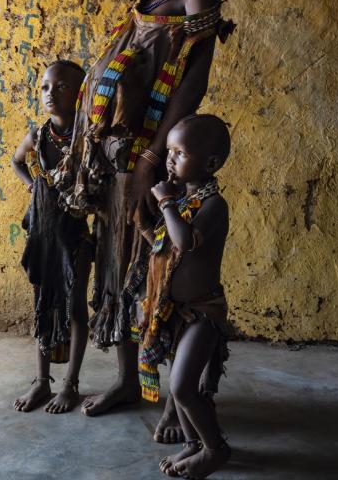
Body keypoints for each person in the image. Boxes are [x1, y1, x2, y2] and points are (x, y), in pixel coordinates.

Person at [58, 0, 234, 430]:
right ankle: (130, 380)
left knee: (164, 270)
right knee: (119, 264)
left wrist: (155, 155)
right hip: (118, 153)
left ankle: (177, 401)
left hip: (157, 154)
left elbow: (192, 80)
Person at [138, 114, 231, 478]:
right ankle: (193, 444)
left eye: (180, 152)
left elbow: (184, 242)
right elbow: (165, 247)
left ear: (209, 163)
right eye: (169, 152)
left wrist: (164, 203)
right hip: (178, 312)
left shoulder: (213, 206)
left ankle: (215, 449)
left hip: (204, 313)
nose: (171, 159)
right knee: (179, 388)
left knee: (182, 386)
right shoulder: (185, 200)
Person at [12, 60, 92, 414]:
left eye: (61, 87)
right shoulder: (37, 136)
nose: (50, 94)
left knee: (74, 307)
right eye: (45, 86)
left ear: (80, 93)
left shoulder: (89, 137)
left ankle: (71, 384)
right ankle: (41, 381)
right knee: (43, 302)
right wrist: (34, 188)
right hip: (43, 232)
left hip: (75, 234)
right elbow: (17, 161)